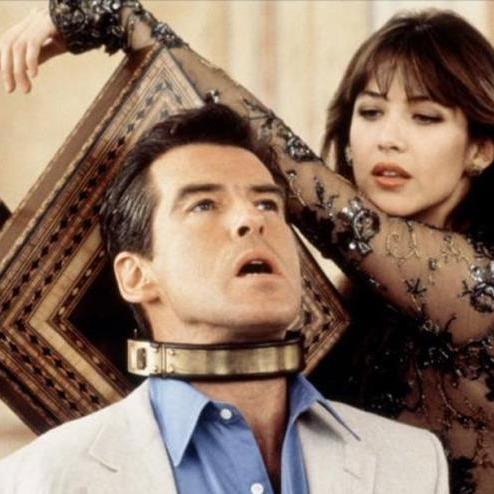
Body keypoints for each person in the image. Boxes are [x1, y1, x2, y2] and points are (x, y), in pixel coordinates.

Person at [0, 2, 491, 492]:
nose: (389, 139)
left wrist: (120, 20)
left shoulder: (479, 286)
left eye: (426, 117)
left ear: (481, 150)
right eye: (371, 112)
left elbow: (303, 183)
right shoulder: (339, 302)